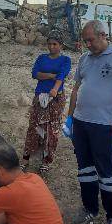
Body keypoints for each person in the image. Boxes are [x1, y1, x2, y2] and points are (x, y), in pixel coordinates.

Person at [64, 20, 112, 224]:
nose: (87, 44)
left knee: (105, 170)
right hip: (80, 122)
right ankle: (90, 208)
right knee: (85, 169)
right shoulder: (84, 59)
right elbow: (76, 90)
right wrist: (68, 119)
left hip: (102, 125)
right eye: (85, 40)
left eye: (90, 40)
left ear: (103, 35)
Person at [21, 31, 71, 173]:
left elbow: (61, 75)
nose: (51, 47)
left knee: (52, 129)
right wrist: (50, 75)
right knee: (34, 126)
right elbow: (34, 73)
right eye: (49, 44)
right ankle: (26, 158)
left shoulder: (65, 60)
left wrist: (54, 89)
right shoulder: (41, 58)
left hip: (56, 98)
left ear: (60, 45)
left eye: (55, 44)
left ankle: (46, 160)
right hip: (39, 96)